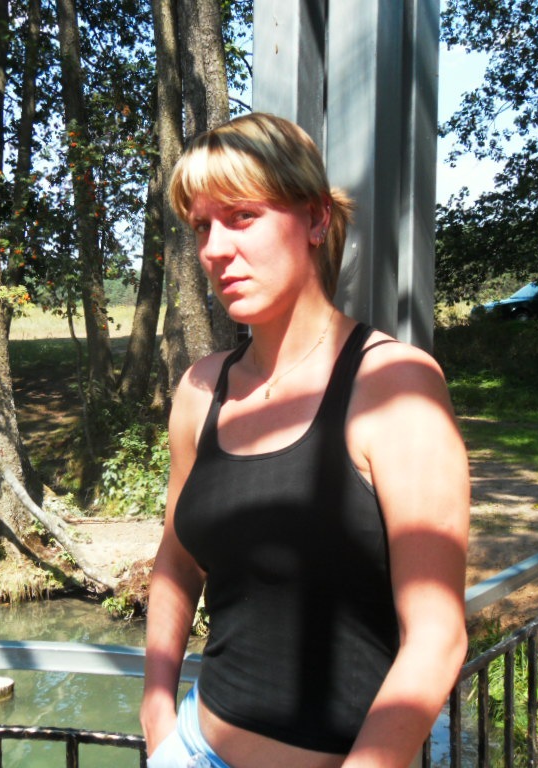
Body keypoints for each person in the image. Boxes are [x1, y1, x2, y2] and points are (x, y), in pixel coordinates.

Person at [140, 112, 469, 768]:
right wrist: (157, 715)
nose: (214, 249)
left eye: (242, 216)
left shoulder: (393, 386)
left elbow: (437, 637)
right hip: (193, 748)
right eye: (202, 226)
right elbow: (176, 562)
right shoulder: (201, 390)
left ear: (316, 218)